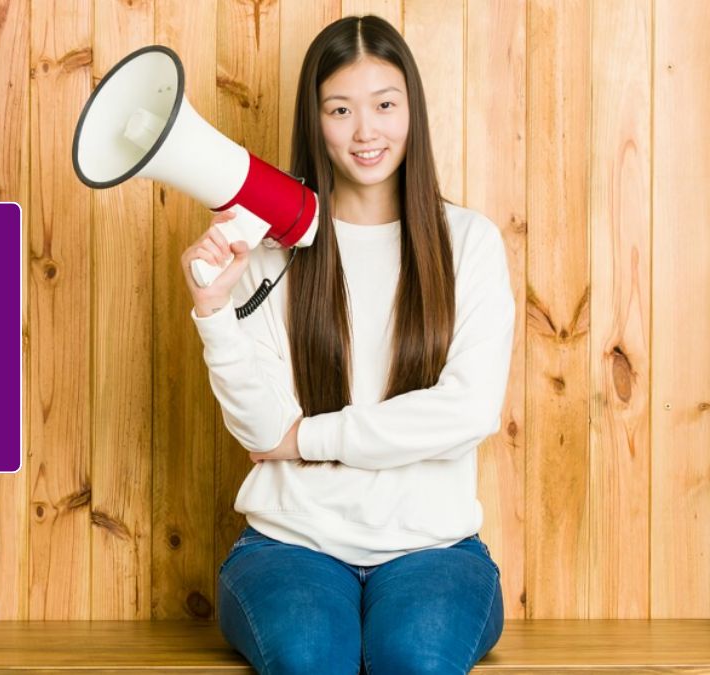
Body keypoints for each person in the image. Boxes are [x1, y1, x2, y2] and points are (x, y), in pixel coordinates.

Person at [179, 15, 514, 675]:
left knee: (415, 659)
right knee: (309, 658)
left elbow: (466, 410)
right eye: (341, 109)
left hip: (435, 548)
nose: (367, 131)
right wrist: (215, 308)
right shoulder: (270, 254)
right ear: (316, 120)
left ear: (411, 109)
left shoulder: (471, 243)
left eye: (385, 105)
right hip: (288, 545)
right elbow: (259, 427)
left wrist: (309, 440)